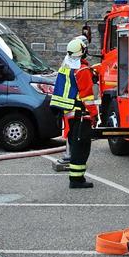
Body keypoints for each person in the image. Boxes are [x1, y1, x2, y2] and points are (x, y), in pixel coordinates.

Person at [49, 36, 97, 188]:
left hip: (70, 114)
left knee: (76, 145)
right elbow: (87, 96)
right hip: (81, 115)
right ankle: (76, 180)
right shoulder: (82, 71)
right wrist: (94, 114)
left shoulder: (67, 66)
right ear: (83, 52)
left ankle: (77, 178)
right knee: (81, 148)